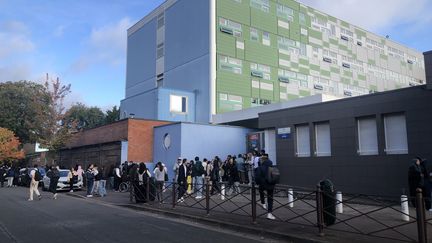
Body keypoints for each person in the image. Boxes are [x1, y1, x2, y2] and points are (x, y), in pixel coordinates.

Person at [256, 154, 276, 220]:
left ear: (262, 160)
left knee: (261, 190)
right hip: (270, 184)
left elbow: (257, 177)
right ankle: (269, 214)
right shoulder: (272, 166)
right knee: (270, 199)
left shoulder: (260, 167)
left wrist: (258, 183)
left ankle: (263, 203)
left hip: (262, 184)